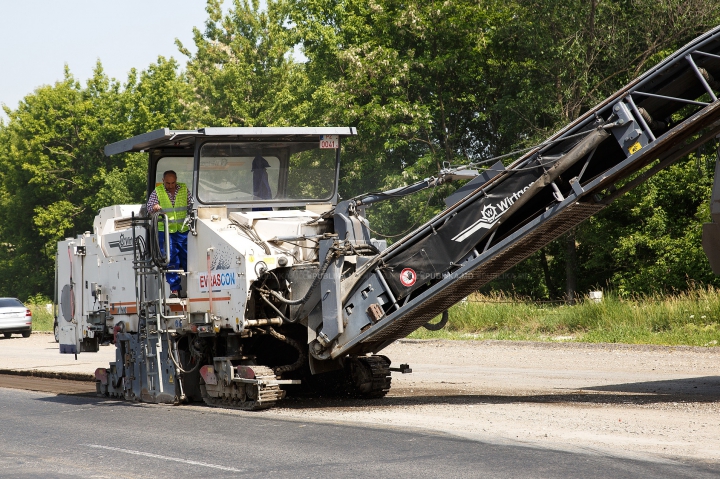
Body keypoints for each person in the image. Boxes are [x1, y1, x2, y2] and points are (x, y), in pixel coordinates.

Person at [146, 170, 193, 298]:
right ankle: (174, 289)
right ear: (163, 181)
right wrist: (155, 207)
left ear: (176, 180)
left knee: (188, 257)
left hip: (183, 230)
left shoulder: (183, 189)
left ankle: (193, 287)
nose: (171, 185)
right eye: (168, 183)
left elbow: (192, 204)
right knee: (170, 258)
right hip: (166, 230)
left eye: (173, 183)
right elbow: (149, 206)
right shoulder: (158, 192)